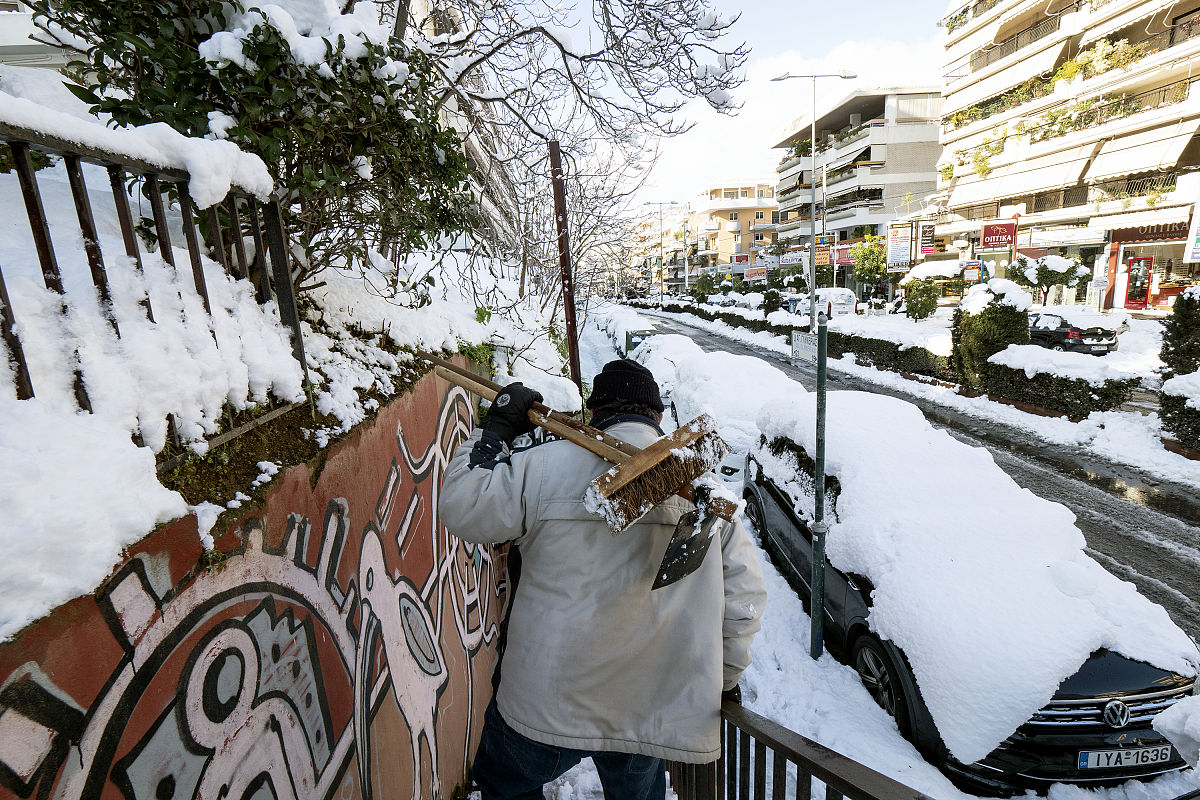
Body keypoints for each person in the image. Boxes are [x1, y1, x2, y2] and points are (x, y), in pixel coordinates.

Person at [439, 359, 766, 800]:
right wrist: (722, 680)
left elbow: (463, 506)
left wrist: (495, 429)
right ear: (658, 416)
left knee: (504, 784)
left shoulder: (542, 468)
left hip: (545, 700)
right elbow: (744, 601)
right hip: (647, 704)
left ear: (594, 413)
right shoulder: (706, 494)